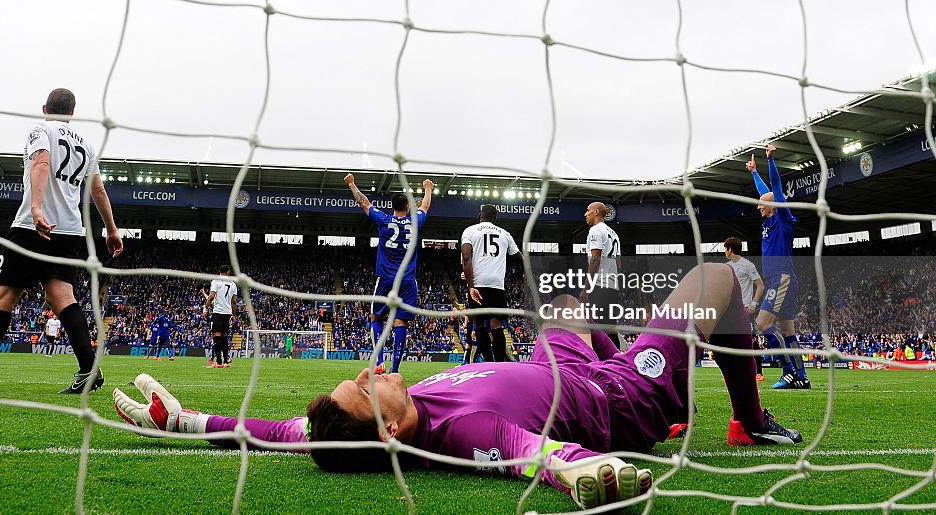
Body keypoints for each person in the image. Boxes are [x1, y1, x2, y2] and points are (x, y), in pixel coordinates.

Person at [114, 263, 803, 510]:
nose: (364, 372)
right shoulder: (459, 434)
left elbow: (265, 432)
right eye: (364, 389)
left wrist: (179, 418)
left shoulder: (338, 429)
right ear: (389, 430)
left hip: (559, 362)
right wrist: (589, 470)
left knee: (564, 310)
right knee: (713, 280)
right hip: (613, 396)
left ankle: (661, 360)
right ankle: (747, 415)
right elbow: (530, 450)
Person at [0, 88, 123, 394]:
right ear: (73, 111)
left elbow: (41, 163)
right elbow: (98, 191)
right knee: (62, 297)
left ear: (45, 107)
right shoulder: (87, 145)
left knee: (3, 297)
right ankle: (89, 370)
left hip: (32, 225)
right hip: (69, 231)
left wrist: (37, 208)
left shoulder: (40, 130)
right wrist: (112, 229)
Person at [344, 173, 433, 374]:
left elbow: (364, 203)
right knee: (401, 322)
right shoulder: (415, 221)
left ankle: (379, 363)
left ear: (392, 207)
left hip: (385, 278)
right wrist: (428, 188)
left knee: (376, 318)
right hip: (408, 280)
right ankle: (395, 370)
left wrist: (352, 184)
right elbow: (425, 206)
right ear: (408, 207)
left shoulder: (384, 220)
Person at [746, 144, 810, 389]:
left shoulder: (781, 218)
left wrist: (770, 161)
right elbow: (766, 194)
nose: (758, 206)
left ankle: (787, 372)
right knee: (788, 331)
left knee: (762, 324)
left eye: (762, 204)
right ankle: (802, 377)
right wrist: (754, 173)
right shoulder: (768, 217)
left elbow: (775, 190)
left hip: (780, 278)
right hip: (782, 279)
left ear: (774, 207)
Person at [461, 205, 520, 362]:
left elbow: (466, 258)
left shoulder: (470, 231)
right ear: (495, 219)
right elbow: (519, 258)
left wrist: (470, 285)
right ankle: (500, 364)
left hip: (478, 283)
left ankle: (487, 362)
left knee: (479, 324)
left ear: (480, 215)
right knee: (496, 325)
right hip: (496, 285)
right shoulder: (505, 234)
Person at [723, 237, 766, 381]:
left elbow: (760, 285)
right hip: (730, 311)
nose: (724, 251)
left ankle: (758, 373)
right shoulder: (727, 266)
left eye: (725, 248)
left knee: (751, 340)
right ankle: (732, 373)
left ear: (730, 249)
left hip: (745, 309)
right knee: (731, 341)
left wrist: (753, 304)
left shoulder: (747, 265)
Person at [582, 201, 623, 349]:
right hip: (612, 287)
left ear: (596, 212)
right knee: (610, 329)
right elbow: (619, 263)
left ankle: (603, 364)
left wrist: (586, 288)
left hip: (600, 287)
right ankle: (616, 364)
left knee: (599, 331)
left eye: (588, 210)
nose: (585, 214)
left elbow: (595, 260)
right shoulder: (614, 234)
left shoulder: (595, 230)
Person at [200, 265, 238, 368]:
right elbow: (234, 302)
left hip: (218, 312)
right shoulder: (233, 284)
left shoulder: (216, 281)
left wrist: (205, 309)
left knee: (216, 336)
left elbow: (211, 296)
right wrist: (234, 315)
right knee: (224, 336)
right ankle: (226, 362)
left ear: (219, 271)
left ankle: (219, 362)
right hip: (227, 312)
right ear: (228, 272)